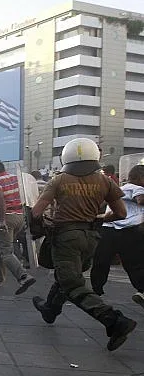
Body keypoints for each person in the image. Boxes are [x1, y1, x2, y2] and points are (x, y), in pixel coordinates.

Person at [31, 138, 137, 350]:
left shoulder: (59, 180)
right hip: (91, 237)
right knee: (69, 274)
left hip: (66, 237)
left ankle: (114, 320)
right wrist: (98, 218)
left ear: (66, 157)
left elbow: (36, 211)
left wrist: (44, 223)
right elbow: (121, 213)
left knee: (72, 284)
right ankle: (50, 309)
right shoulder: (105, 181)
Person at [90, 165, 144, 304]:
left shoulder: (119, 188)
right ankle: (142, 289)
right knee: (134, 263)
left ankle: (96, 289)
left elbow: (103, 203)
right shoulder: (135, 187)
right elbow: (140, 199)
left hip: (110, 228)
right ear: (140, 178)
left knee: (101, 260)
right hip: (128, 229)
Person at [0, 160, 36, 294]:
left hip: (6, 217)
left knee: (6, 251)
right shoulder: (16, 178)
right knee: (1, 247)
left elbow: (0, 202)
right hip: (19, 217)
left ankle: (23, 276)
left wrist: (1, 220)